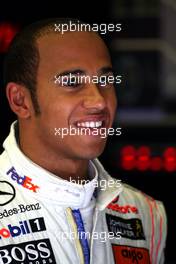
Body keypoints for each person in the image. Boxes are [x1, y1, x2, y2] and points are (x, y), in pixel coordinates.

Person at [0, 18, 167, 264]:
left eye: (105, 81)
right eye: (72, 82)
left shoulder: (146, 214)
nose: (99, 101)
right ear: (20, 101)